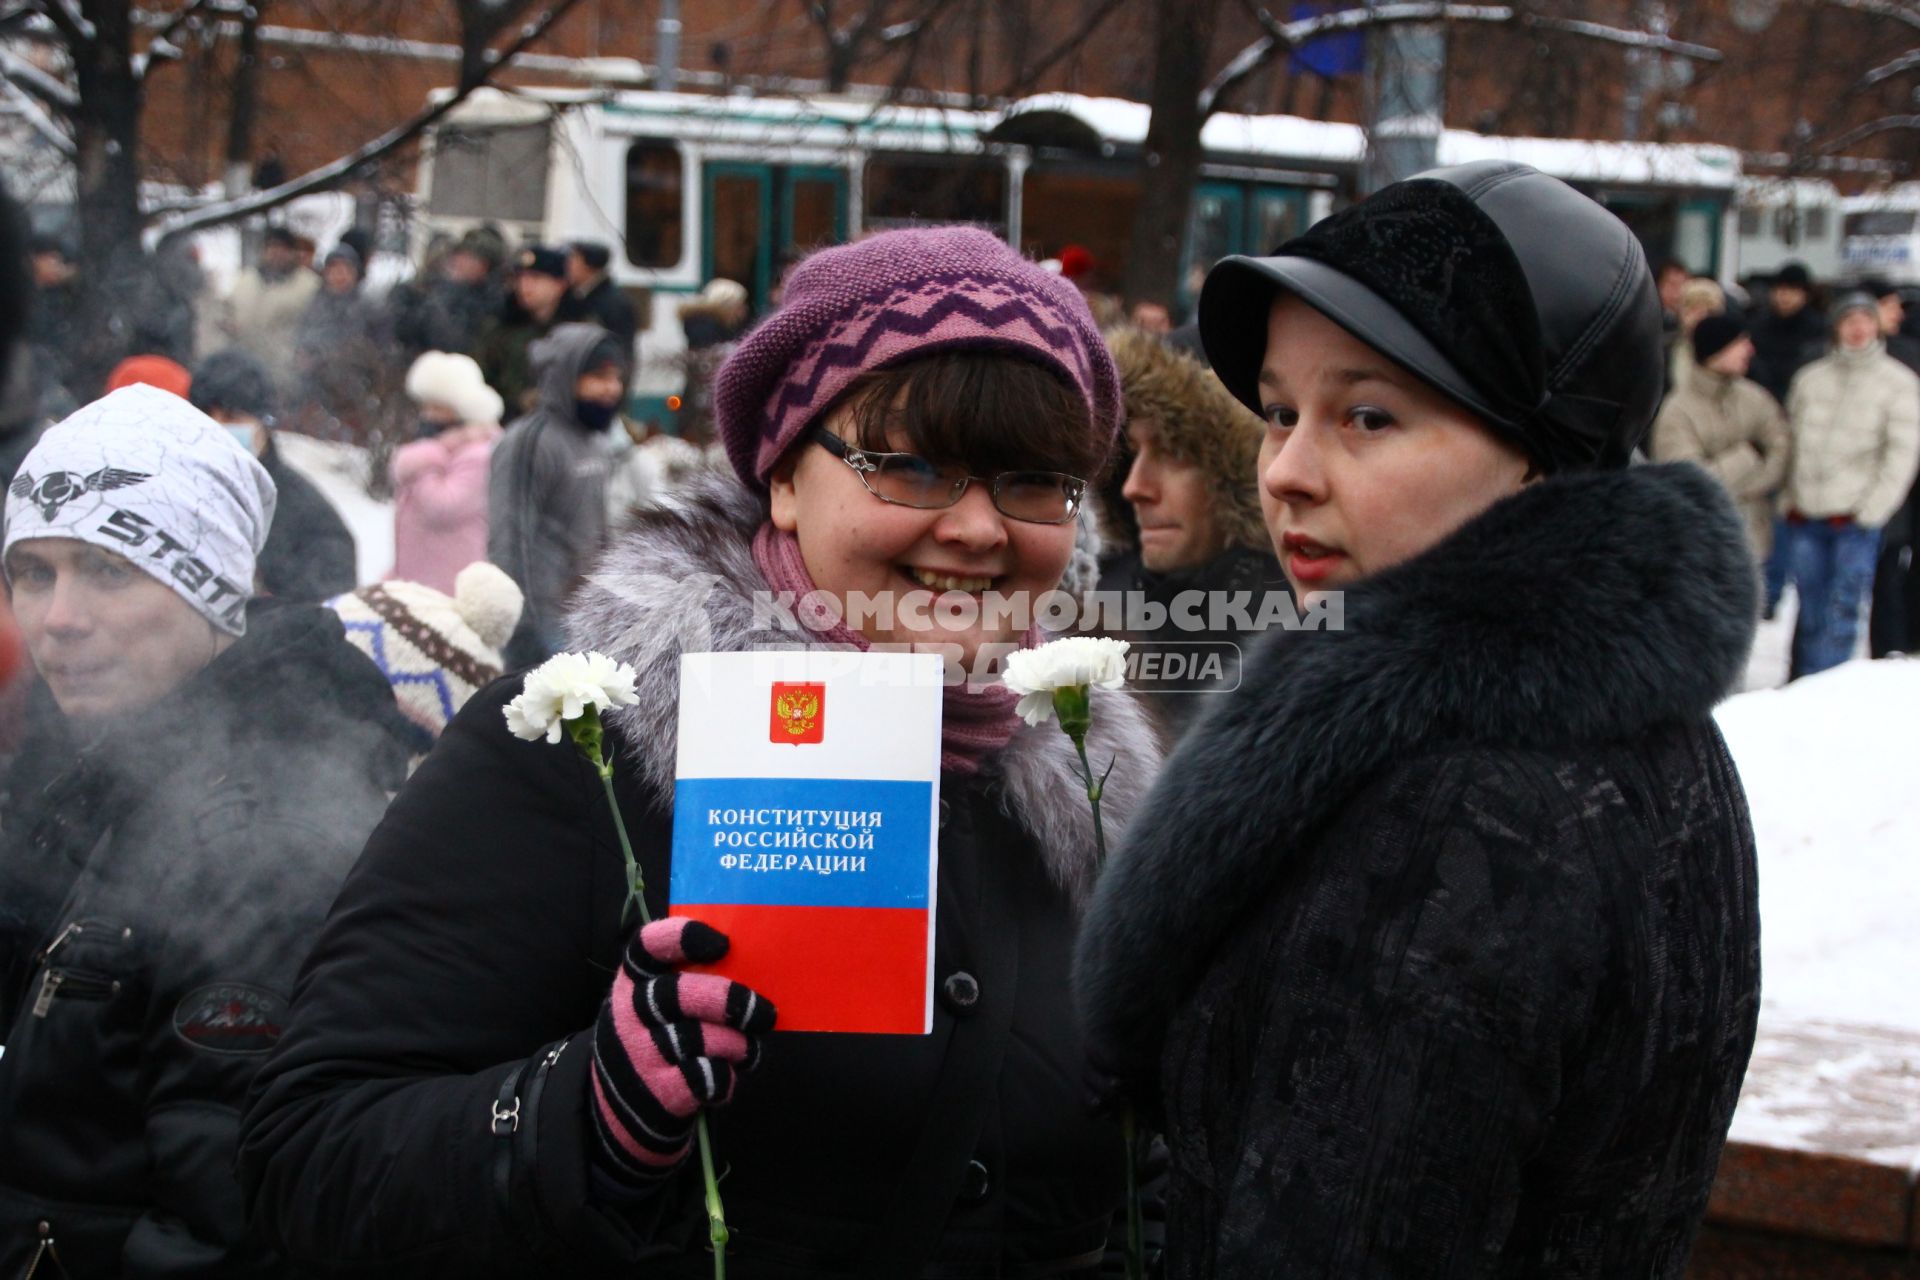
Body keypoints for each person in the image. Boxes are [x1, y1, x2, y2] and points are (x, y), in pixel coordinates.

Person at [239, 226, 1161, 1277]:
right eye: (910, 465)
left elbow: (1158, 1170)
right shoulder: (586, 741)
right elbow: (307, 1150)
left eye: (1032, 481)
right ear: (781, 477)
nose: (980, 528)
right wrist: (585, 1117)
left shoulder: (1096, 798)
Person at [1076, 161, 1763, 1279]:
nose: (1288, 471)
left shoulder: (1453, 813)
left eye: (1368, 416)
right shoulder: (1630, 714)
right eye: (1281, 410)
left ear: (1541, 456)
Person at [0, 384, 410, 1277]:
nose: (57, 619)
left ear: (212, 585)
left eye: (109, 569)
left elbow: (225, 1222)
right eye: (34, 571)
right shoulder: (70, 775)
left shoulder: (267, 833)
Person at [1097, 326, 1285, 744]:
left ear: (1239, 468)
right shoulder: (1095, 615)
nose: (1135, 486)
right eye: (1132, 452)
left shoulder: (1302, 641)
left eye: (1174, 452)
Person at [1779, 291, 1920, 678]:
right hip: (1806, 513)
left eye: (1865, 320)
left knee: (1844, 611)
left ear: (1877, 325)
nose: (1857, 328)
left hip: (1855, 518)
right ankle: (1803, 685)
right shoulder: (1811, 378)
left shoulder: (1898, 382)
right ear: (1836, 326)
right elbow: (1790, 441)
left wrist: (1875, 508)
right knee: (1809, 610)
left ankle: (1826, 691)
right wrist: (1790, 497)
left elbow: (1901, 454)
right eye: (1849, 320)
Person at [486, 323, 622, 667]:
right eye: (599, 377)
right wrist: (524, 628)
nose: (612, 389)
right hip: (542, 619)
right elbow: (508, 538)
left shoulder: (591, 440)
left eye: (616, 378)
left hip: (582, 614)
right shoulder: (529, 441)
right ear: (565, 376)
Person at [188, 350, 358, 603]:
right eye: (206, 416)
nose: (217, 427)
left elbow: (323, 616)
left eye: (232, 417)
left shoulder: (309, 516)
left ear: (263, 421)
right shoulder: (175, 491)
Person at [1650, 314, 1791, 564]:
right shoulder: (1677, 411)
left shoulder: (1755, 397)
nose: (1750, 349)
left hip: (1756, 542)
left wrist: (1744, 488)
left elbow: (1781, 450)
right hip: (1700, 548)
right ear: (1716, 350)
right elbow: (1690, 481)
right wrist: (1748, 455)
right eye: (1740, 342)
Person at [392, 350, 504, 593]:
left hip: (452, 585)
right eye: (426, 406)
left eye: (437, 407)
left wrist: (421, 462)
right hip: (419, 580)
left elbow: (443, 507)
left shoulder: (479, 454)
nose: (427, 415)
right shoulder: (444, 451)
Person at [1863, 278, 1920, 656]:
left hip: (1904, 465)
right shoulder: (1895, 354)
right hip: (1885, 468)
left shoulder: (1903, 351)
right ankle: (1893, 642)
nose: (1898, 313)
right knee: (1887, 559)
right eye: (1889, 305)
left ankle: (1898, 639)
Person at [293, 243, 388, 428]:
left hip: (353, 391)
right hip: (314, 390)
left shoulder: (369, 308)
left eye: (345, 269)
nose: (339, 275)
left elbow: (377, 351)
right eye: (334, 269)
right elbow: (301, 338)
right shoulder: (315, 304)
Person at [216, 226, 320, 386]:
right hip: (245, 370)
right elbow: (226, 312)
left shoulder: (309, 285)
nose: (276, 253)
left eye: (282, 248)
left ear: (292, 252)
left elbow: (317, 325)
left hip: (285, 374)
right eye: (271, 247)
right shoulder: (246, 280)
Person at [476, 245, 571, 415]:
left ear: (559, 284)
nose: (525, 286)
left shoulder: (575, 332)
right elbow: (481, 380)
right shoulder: (502, 329)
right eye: (521, 278)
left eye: (536, 278)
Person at [1749, 260, 1828, 405]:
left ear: (1805, 294)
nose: (1784, 296)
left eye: (1792, 290)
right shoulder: (1758, 324)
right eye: (1779, 290)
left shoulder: (1818, 327)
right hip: (1760, 397)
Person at [562, 239, 639, 352]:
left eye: (574, 259)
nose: (568, 265)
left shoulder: (615, 304)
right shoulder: (576, 296)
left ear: (589, 265)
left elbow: (621, 350)